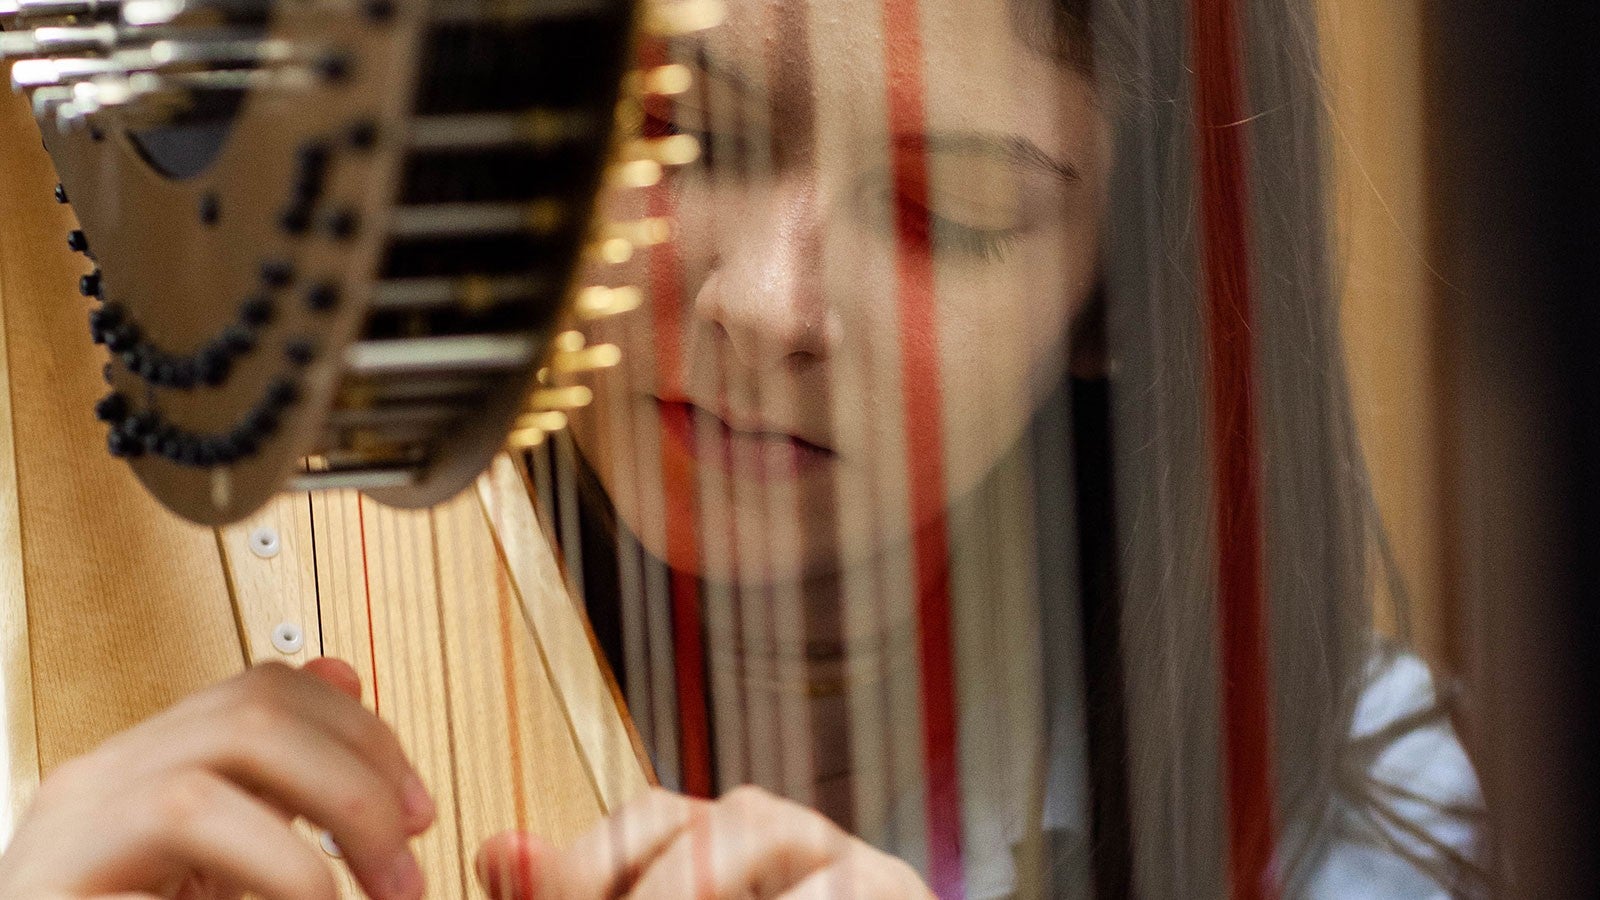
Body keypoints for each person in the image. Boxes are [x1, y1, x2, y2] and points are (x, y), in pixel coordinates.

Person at [0, 0, 1486, 897]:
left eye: (947, 211)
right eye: (685, 132)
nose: (764, 303)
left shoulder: (1365, 809)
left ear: (1121, 297)